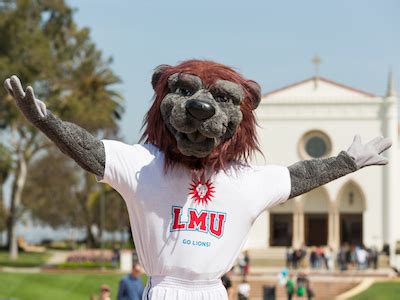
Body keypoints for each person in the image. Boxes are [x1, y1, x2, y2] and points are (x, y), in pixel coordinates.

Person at [5, 62, 391, 300]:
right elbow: (90, 151)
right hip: (163, 289)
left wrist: (346, 162)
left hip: (212, 290)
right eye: (185, 91)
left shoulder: (244, 180)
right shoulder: (144, 165)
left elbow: (299, 175)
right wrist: (47, 122)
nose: (201, 107)